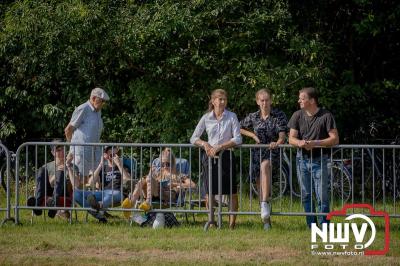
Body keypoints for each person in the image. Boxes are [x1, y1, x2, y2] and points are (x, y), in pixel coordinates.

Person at [190, 88, 242, 229]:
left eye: (224, 99)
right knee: (210, 191)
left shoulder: (232, 116)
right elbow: (193, 138)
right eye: (219, 99)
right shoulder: (206, 117)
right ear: (213, 101)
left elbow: (238, 138)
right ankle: (212, 222)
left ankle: (232, 225)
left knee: (231, 191)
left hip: (227, 156)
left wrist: (221, 146)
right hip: (210, 156)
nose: (222, 102)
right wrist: (204, 143)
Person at [287, 87, 339, 228]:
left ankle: (324, 226)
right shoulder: (297, 115)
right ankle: (311, 226)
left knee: (322, 196)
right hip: (301, 160)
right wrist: (300, 143)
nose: (299, 100)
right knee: (306, 196)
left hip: (320, 161)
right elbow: (291, 138)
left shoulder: (326, 116)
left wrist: (315, 143)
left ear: (312, 100)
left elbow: (334, 139)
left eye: (302, 98)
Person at [240, 88, 287, 230]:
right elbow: (239, 127)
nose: (265, 103)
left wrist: (277, 143)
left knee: (265, 166)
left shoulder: (278, 115)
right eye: (262, 100)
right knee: (260, 185)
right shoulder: (253, 116)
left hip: (273, 151)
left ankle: (265, 204)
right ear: (257, 102)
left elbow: (282, 136)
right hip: (257, 152)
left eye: (267, 100)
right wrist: (253, 136)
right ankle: (266, 221)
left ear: (271, 100)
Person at [123, 148, 196, 213]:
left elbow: (193, 185)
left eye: (168, 164)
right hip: (154, 194)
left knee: (147, 179)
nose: (165, 167)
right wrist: (151, 172)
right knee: (145, 179)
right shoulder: (159, 173)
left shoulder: (179, 175)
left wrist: (176, 185)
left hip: (168, 196)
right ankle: (132, 203)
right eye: (162, 164)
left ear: (173, 163)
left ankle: (146, 202)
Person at [72, 146, 131, 222]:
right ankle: (97, 213)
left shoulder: (123, 167)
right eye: (112, 155)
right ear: (106, 156)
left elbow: (128, 180)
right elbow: (91, 182)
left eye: (117, 154)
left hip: (119, 193)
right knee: (76, 194)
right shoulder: (103, 168)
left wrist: (119, 165)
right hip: (103, 193)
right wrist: (100, 164)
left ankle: (97, 207)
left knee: (109, 195)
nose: (115, 157)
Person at [27, 140, 80, 219]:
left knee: (60, 173)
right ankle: (38, 205)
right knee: (41, 170)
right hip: (49, 191)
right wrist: (55, 176)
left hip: (64, 192)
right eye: (58, 150)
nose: (62, 151)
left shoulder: (72, 166)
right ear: (52, 152)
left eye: (63, 149)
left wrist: (67, 167)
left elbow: (76, 185)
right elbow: (46, 184)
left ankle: (53, 204)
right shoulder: (47, 166)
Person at [64, 87, 109, 180]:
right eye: (101, 101)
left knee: (95, 180)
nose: (103, 104)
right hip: (81, 152)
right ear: (93, 98)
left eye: (104, 102)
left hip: (94, 152)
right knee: (81, 180)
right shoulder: (83, 108)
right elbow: (68, 130)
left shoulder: (98, 111)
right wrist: (72, 149)